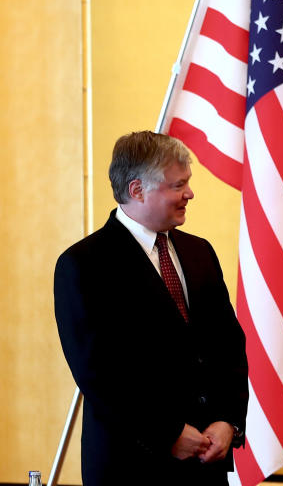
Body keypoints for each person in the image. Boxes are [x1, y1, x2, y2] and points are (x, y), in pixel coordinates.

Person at [54, 131, 248, 486]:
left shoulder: (199, 252)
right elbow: (98, 372)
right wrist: (167, 433)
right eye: (178, 185)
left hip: (206, 465)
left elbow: (228, 345)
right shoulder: (83, 265)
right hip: (132, 465)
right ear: (137, 190)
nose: (190, 194)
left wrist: (228, 421)